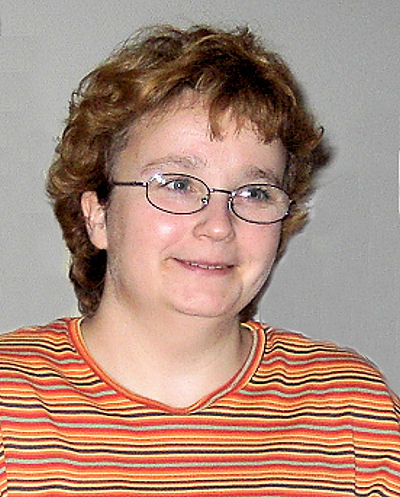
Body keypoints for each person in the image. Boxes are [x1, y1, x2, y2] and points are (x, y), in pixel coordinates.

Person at [0, 25, 399, 497]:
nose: (218, 225)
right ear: (98, 215)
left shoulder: (352, 413)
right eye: (177, 184)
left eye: (255, 192)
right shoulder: (12, 405)